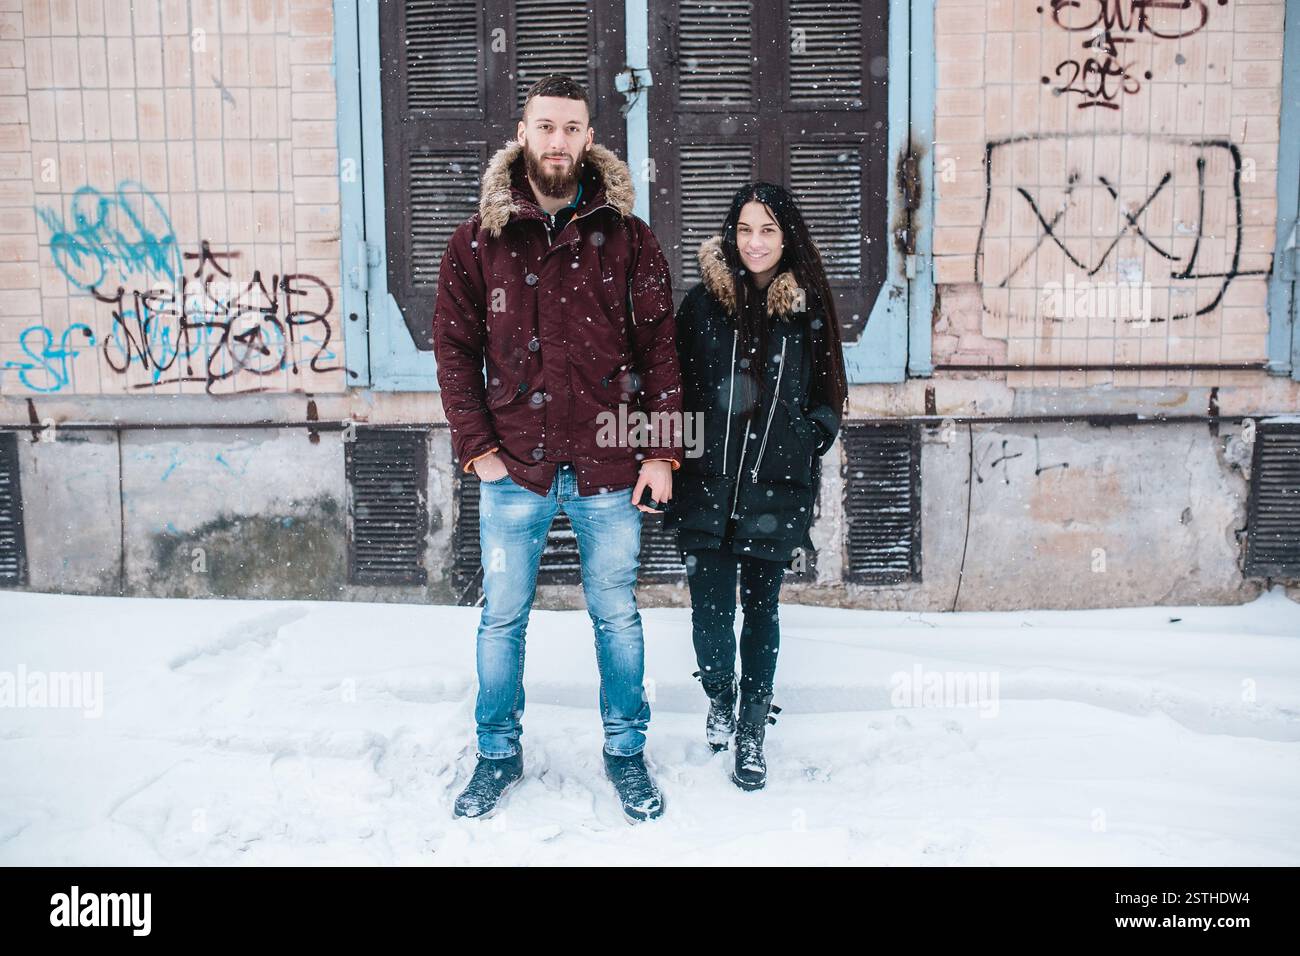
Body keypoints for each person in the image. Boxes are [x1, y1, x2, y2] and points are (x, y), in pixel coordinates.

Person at [432, 74, 683, 822]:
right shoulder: (479, 239)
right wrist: (477, 447)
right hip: (516, 467)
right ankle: (497, 753)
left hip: (610, 462)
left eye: (572, 128)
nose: (558, 142)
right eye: (546, 127)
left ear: (588, 137)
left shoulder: (627, 239)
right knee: (502, 616)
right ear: (522, 132)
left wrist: (662, 452)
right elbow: (452, 348)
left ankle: (626, 751)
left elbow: (661, 348)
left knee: (617, 614)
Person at [663, 182, 847, 791]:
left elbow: (830, 393)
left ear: (785, 236)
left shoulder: (807, 310)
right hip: (707, 487)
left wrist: (808, 435)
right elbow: (674, 387)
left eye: (767, 229)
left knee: (761, 612)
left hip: (775, 488)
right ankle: (720, 692)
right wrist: (670, 455)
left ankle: (750, 729)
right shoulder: (702, 307)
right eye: (745, 229)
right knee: (711, 624)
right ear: (730, 235)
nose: (756, 241)